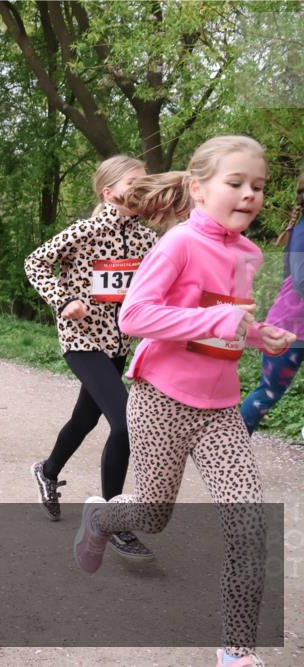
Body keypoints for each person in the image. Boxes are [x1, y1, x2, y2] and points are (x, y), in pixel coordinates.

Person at [72, 136, 295, 667]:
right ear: (197, 189)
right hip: (161, 401)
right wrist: (218, 320)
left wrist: (260, 335)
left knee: (248, 526)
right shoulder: (177, 244)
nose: (249, 195)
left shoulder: (249, 253)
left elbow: (228, 318)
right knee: (151, 515)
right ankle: (101, 518)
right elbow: (135, 317)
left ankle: (236, 652)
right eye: (235, 183)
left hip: (220, 412)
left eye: (258, 187)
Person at [24, 154, 159, 560]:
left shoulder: (146, 239)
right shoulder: (84, 231)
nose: (141, 190)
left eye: (144, 183)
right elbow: (35, 262)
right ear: (109, 192)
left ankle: (47, 470)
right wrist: (64, 300)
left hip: (119, 343)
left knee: (85, 418)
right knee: (125, 422)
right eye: (133, 184)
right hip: (83, 339)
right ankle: (113, 521)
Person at [240, 172, 304, 433]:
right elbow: (301, 282)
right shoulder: (302, 231)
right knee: (267, 394)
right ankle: (233, 445)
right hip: (289, 328)